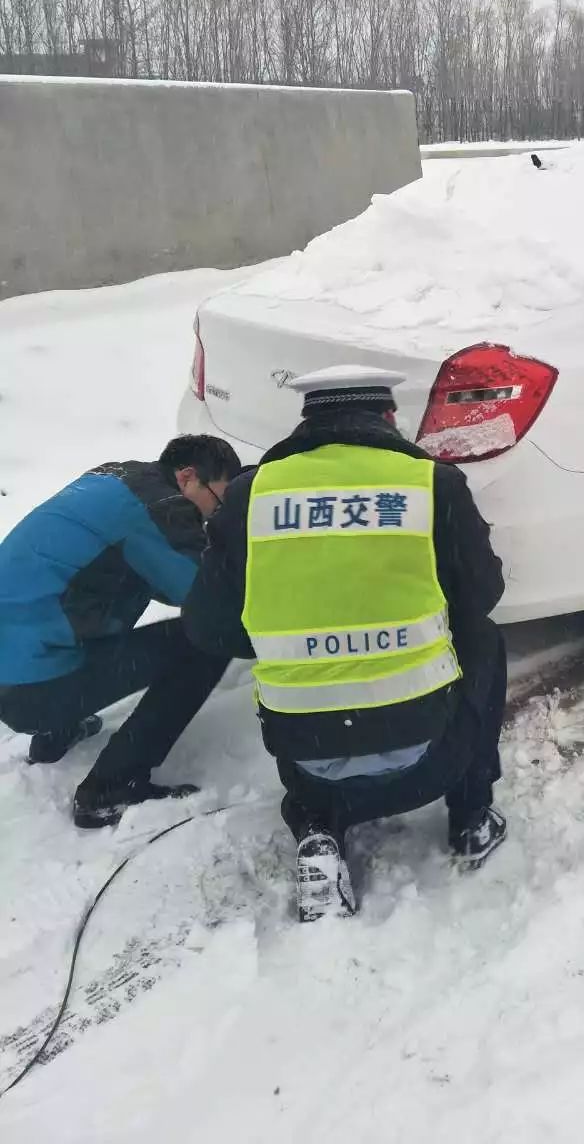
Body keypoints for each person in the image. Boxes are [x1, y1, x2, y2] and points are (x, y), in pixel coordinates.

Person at [182, 366, 507, 922]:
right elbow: (483, 592)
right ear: (387, 418)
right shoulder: (431, 483)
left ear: (308, 419)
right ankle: (472, 815)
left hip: (307, 756)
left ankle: (317, 832)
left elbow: (210, 628)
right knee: (483, 638)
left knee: (314, 752)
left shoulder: (249, 495)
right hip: (430, 755)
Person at [0, 435, 242, 828]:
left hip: (14, 666)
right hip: (30, 686)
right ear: (188, 477)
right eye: (219, 500)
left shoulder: (116, 480)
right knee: (205, 640)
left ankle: (54, 732)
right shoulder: (162, 508)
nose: (216, 514)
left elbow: (148, 574)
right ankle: (111, 788)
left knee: (94, 590)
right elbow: (204, 599)